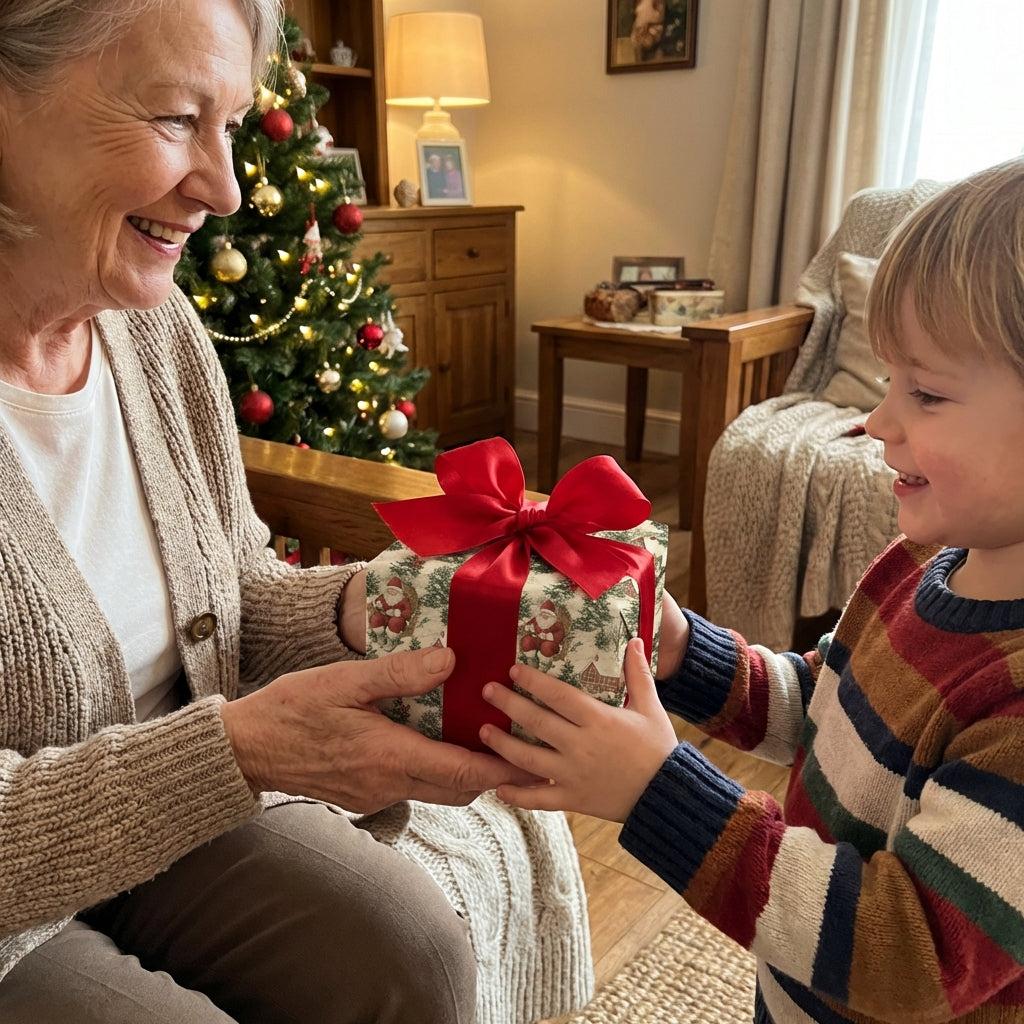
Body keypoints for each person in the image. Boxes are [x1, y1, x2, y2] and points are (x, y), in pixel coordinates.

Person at [0, 1, 545, 1021]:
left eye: (233, 126)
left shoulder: (155, 332)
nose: (228, 187)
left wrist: (370, 604)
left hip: (160, 790)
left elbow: (233, 584)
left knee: (411, 951)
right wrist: (240, 751)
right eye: (173, 118)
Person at [480, 158, 1024, 1023]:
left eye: (924, 391)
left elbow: (902, 954)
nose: (877, 422)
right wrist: (679, 650)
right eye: (888, 382)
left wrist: (658, 792)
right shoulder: (922, 564)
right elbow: (822, 703)